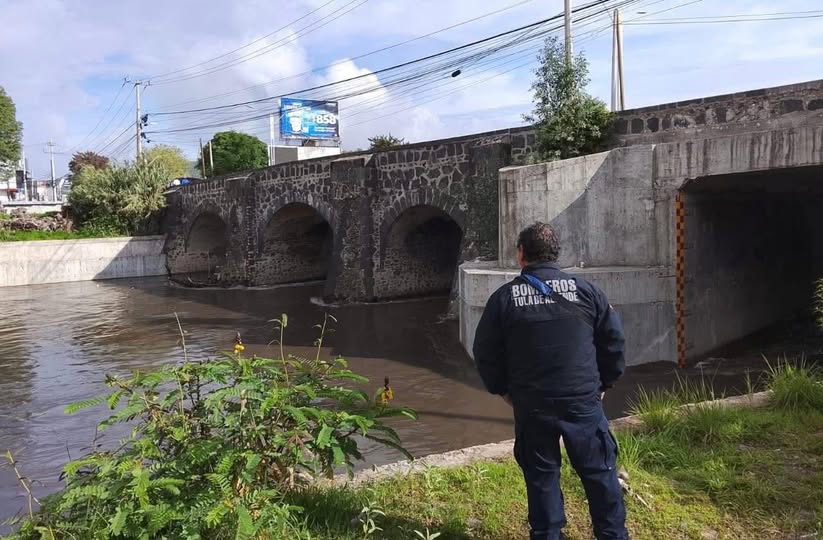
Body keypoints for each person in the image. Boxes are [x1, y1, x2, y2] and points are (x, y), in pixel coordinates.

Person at [473, 222, 629, 540]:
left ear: (521, 255)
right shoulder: (588, 292)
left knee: (542, 476)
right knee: (600, 474)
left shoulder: (503, 300)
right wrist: (604, 384)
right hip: (582, 400)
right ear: (556, 254)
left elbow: (485, 352)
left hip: (533, 405)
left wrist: (503, 390)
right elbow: (613, 342)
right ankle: (612, 534)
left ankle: (547, 533)